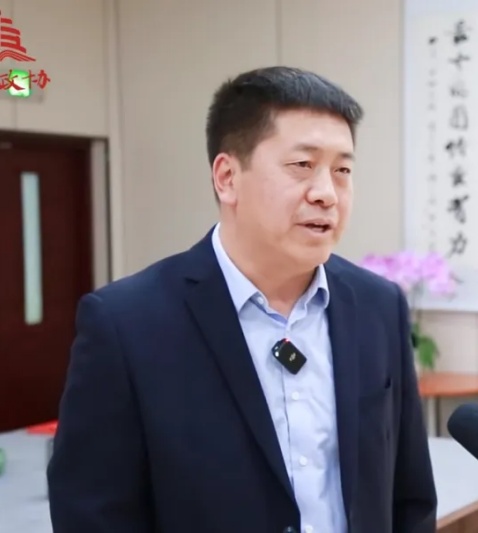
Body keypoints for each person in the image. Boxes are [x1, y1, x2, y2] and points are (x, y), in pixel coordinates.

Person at [47, 66, 437, 533]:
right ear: (227, 177)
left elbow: (410, 497)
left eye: (343, 171)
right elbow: (92, 516)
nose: (327, 194)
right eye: (302, 165)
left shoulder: (378, 306)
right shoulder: (127, 325)